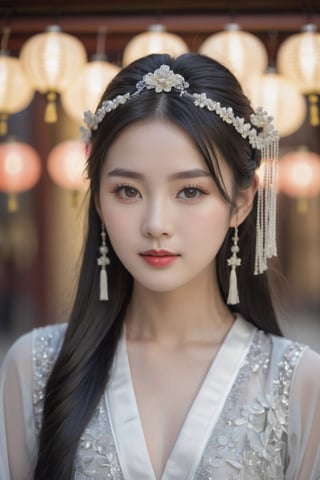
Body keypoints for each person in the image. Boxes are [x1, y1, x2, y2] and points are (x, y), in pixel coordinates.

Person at [0, 52, 320, 480]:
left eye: (190, 191)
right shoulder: (36, 367)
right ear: (97, 197)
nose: (155, 225)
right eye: (128, 191)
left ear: (242, 202)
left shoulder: (298, 382)